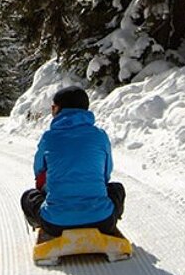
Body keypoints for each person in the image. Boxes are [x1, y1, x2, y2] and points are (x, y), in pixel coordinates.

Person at [20, 86, 125, 241]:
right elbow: (105, 175)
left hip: (55, 224)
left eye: (53, 107)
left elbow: (39, 172)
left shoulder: (49, 138)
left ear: (60, 109)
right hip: (102, 220)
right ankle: (100, 222)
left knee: (28, 197)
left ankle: (45, 226)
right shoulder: (100, 136)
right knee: (117, 188)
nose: (52, 111)